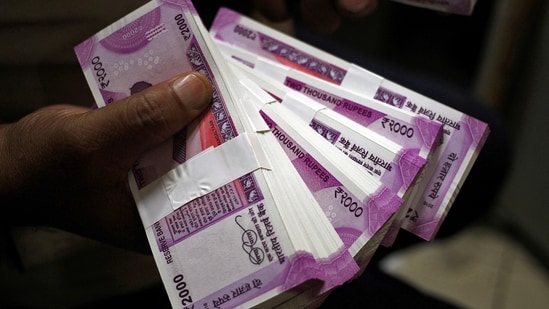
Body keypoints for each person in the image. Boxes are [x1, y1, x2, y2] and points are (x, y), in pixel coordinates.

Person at [1, 0, 508, 308]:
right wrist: (13, 171)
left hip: (230, 40)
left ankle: (346, 252)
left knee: (477, 159)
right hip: (79, 233)